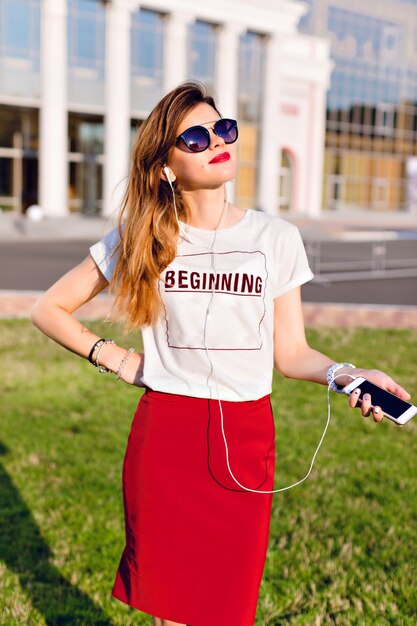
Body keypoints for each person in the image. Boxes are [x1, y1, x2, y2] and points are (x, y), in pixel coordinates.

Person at [31, 81, 411, 626]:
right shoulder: (140, 237)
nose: (216, 141)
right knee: (171, 611)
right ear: (164, 165)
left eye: (223, 128)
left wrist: (348, 375)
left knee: (228, 610)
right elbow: (49, 309)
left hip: (247, 435)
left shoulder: (276, 238)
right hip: (168, 436)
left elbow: (292, 353)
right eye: (196, 136)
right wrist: (116, 358)